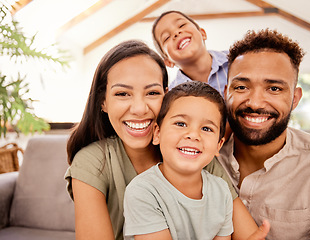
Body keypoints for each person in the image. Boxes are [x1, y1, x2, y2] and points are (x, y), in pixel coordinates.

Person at [64, 40, 253, 240]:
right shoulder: (93, 162)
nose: (139, 108)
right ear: (103, 102)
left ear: (166, 95)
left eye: (152, 93)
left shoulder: (193, 154)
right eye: (122, 93)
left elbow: (248, 235)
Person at [218, 28, 310, 239]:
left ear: (295, 98)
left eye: (274, 89)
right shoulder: (197, 157)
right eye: (241, 87)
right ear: (226, 92)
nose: (255, 102)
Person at [123, 81, 269, 240]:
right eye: (180, 123)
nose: (193, 135)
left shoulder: (221, 191)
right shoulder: (143, 191)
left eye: (206, 129)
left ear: (218, 146)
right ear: (157, 133)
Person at [152, 10, 228, 96]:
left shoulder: (236, 58)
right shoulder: (172, 96)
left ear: (202, 33)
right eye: (167, 37)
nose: (176, 33)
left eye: (182, 25)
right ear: (168, 62)